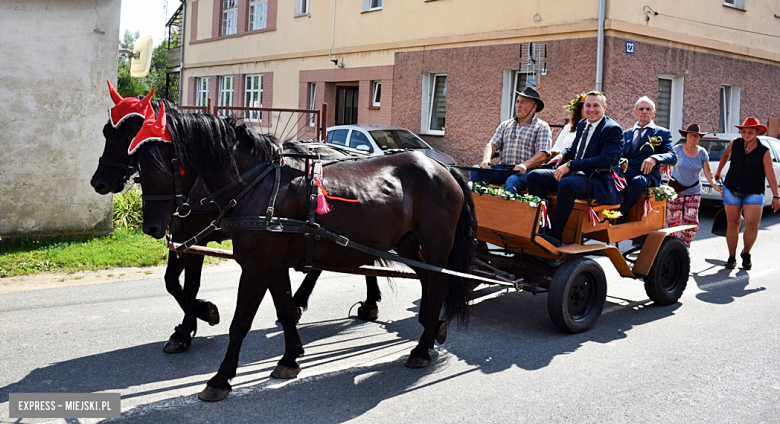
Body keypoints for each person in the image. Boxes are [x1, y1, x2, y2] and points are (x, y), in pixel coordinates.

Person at [526, 91, 624, 246]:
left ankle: (555, 235)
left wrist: (571, 164)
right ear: (583, 108)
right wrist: (563, 155)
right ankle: (542, 225)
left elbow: (606, 161)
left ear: (604, 107)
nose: (592, 109)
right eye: (588, 105)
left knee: (567, 184)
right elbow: (576, 147)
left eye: (596, 105)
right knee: (534, 176)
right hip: (576, 176)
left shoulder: (612, 129)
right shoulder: (582, 124)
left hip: (597, 180)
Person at [714, 117, 780, 270]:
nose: (746, 134)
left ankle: (746, 252)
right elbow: (725, 155)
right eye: (744, 131)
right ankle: (731, 257)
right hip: (731, 188)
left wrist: (776, 196)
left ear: (757, 132)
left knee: (752, 225)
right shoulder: (734, 143)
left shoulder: (764, 151)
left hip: (754, 190)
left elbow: (770, 175)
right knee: (733, 224)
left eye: (750, 132)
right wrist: (718, 171)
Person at [469, 87, 552, 194]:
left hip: (527, 172)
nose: (518, 106)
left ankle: (506, 209)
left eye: (523, 102)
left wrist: (525, 165)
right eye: (517, 102)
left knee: (512, 180)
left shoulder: (542, 126)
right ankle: (480, 204)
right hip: (503, 169)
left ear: (534, 107)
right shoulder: (505, 125)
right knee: (476, 170)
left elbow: (542, 154)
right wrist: (486, 160)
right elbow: (491, 145)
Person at [617, 96, 677, 219]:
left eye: (648, 109)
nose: (645, 111)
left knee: (638, 181)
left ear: (654, 113)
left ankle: (621, 215)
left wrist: (655, 158)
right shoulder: (626, 134)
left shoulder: (662, 133)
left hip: (646, 176)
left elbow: (672, 156)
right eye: (641, 109)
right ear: (635, 112)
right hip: (625, 174)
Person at [666, 123, 722, 247]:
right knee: (673, 219)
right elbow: (665, 166)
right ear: (686, 136)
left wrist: (714, 186)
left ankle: (685, 245)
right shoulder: (677, 150)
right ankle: (671, 245)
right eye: (691, 135)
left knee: (691, 220)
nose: (694, 138)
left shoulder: (702, 152)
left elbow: (708, 172)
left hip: (694, 190)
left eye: (696, 136)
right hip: (675, 189)